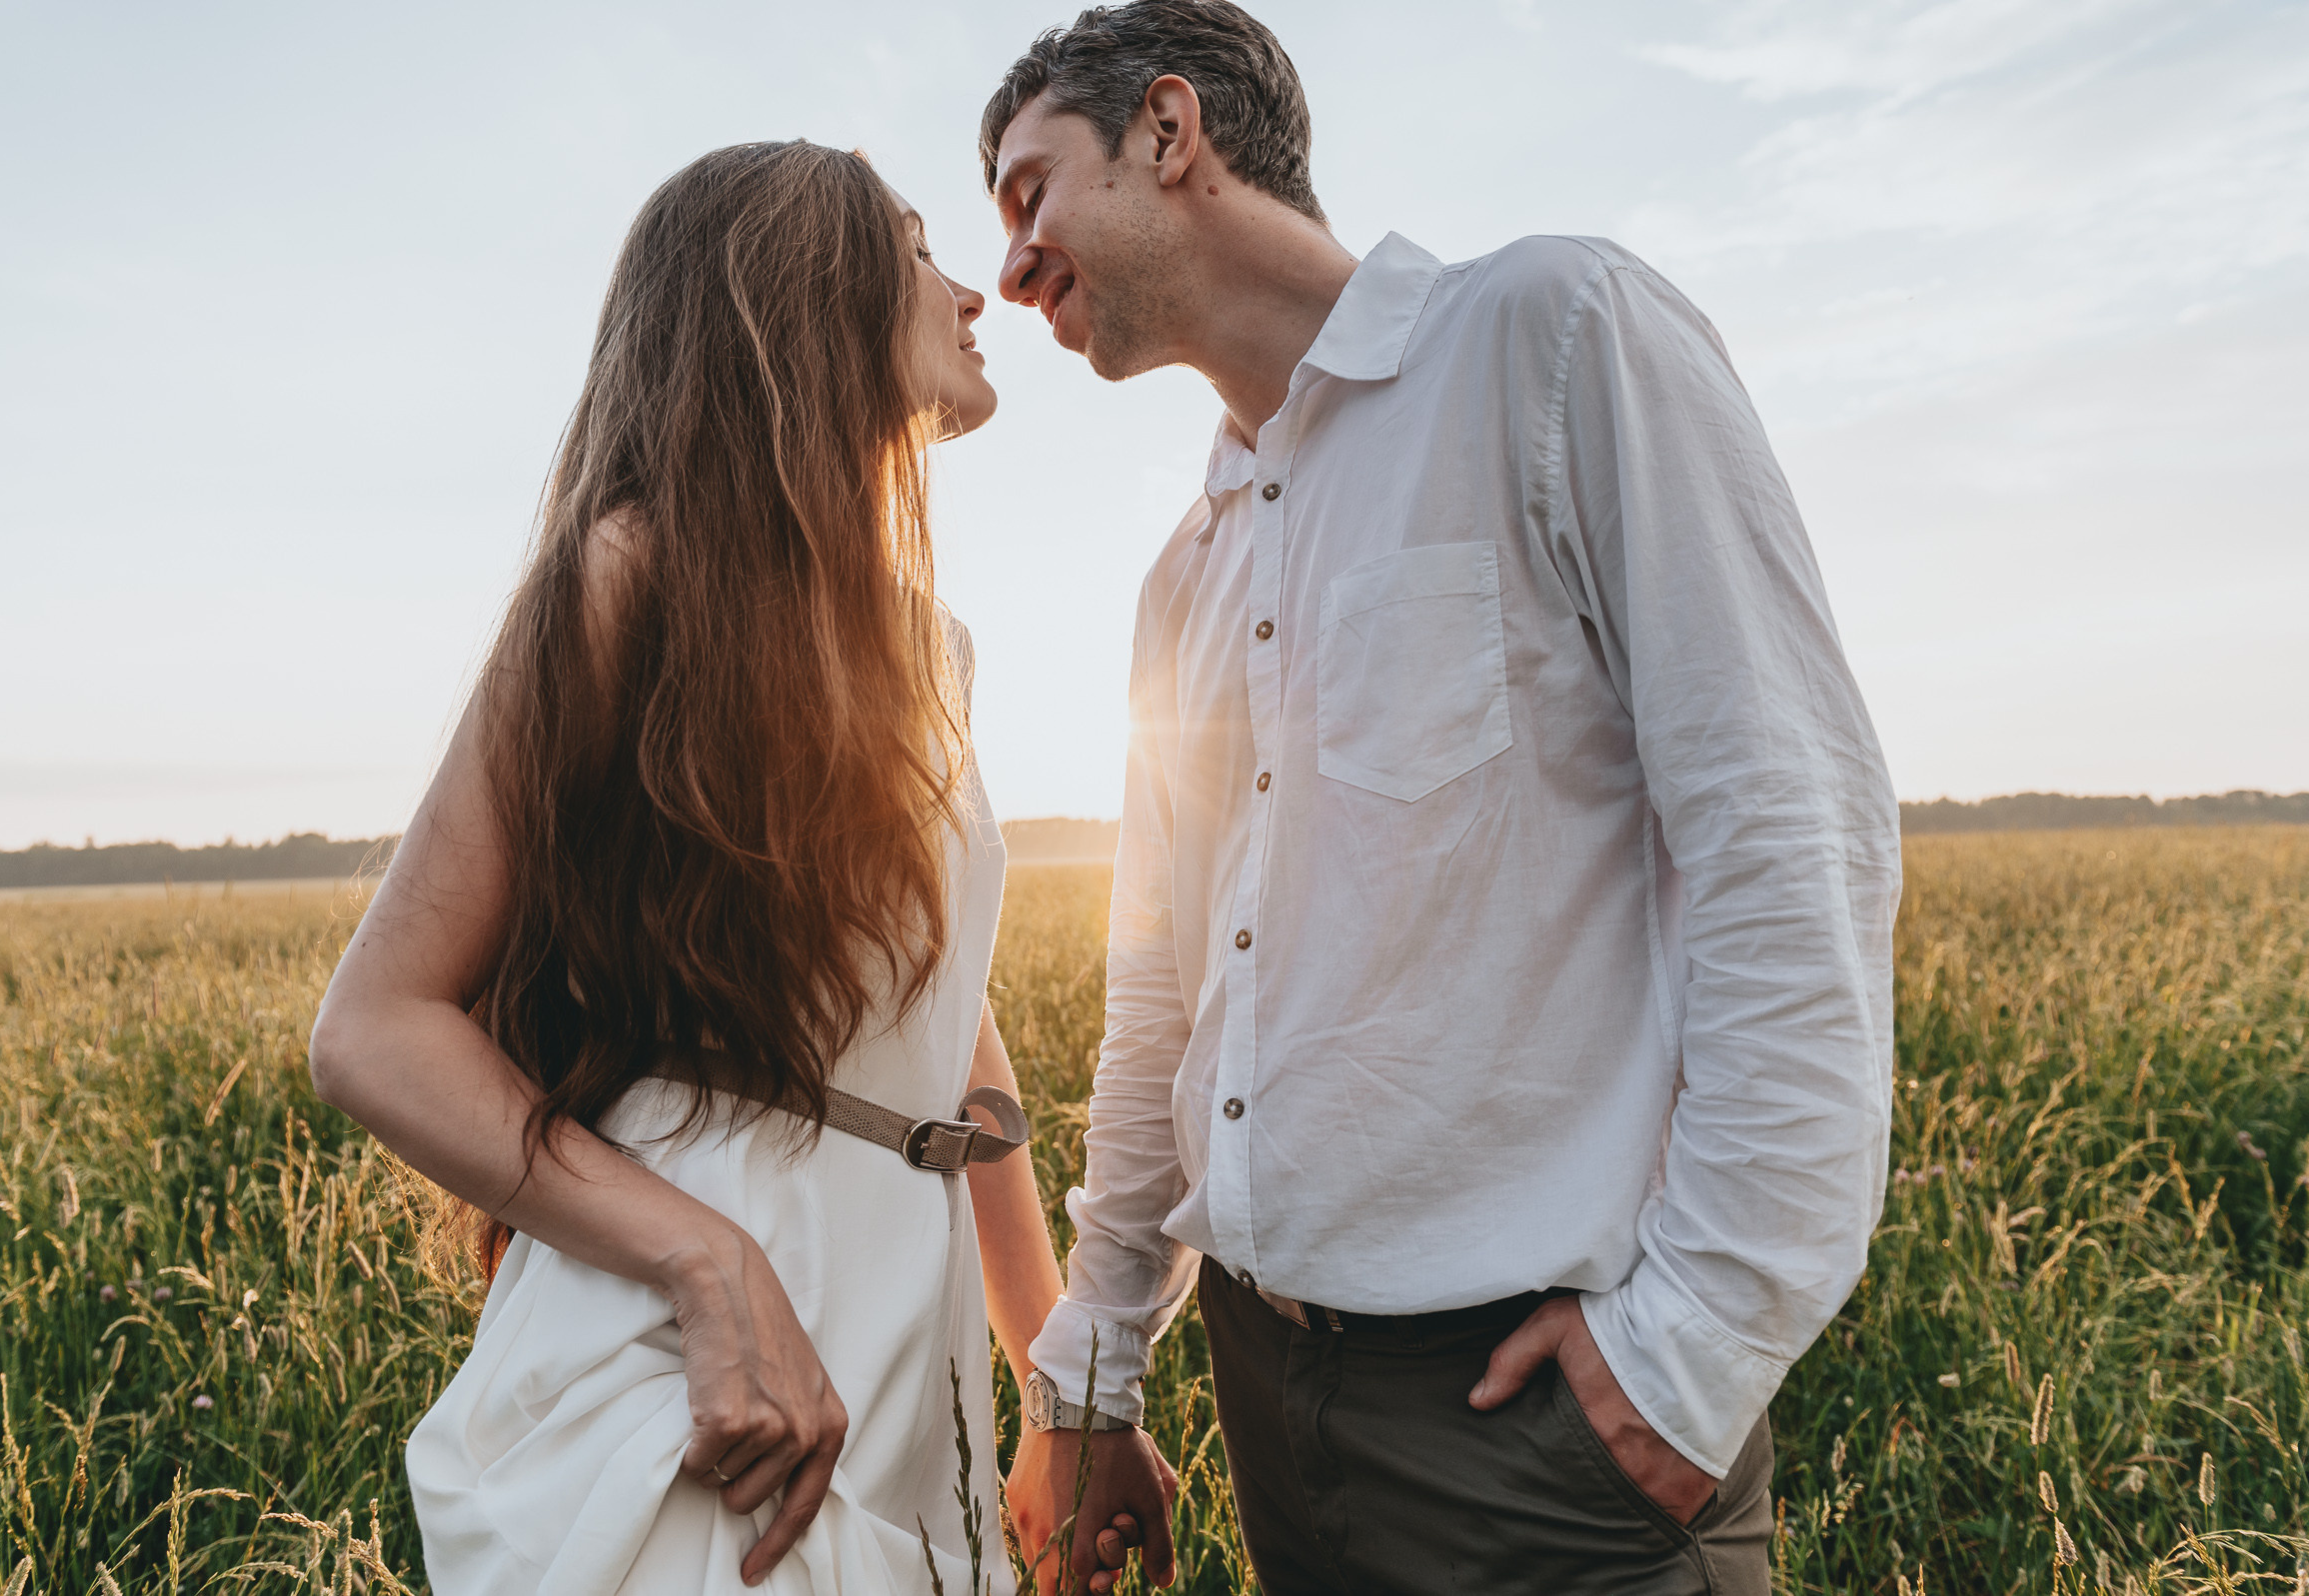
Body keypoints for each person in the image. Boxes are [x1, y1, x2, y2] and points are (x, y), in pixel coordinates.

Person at [978, 5, 1902, 1593]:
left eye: (1029, 189)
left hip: (1542, 1434)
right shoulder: (1180, 580)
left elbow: (1788, 837)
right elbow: (1162, 1006)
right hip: (1269, 1399)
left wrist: (1690, 1355)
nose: (1014, 266)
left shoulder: (1553, 336)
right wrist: (1093, 1362)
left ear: (1169, 131)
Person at [309, 141, 1071, 1595]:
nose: (974, 291)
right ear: (801, 297)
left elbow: (944, 1012)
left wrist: (1060, 1382)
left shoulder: (934, 648)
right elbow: (374, 1027)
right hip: (683, 1368)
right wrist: (704, 1262)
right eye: (917, 250)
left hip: (911, 1357)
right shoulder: (628, 574)